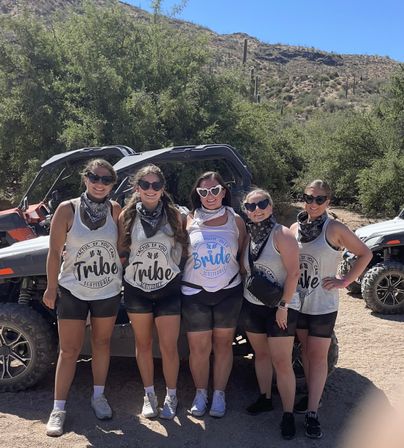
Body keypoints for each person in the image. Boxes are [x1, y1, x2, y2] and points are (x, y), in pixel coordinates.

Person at [43, 159, 122, 437]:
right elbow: (54, 252)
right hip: (73, 289)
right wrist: (51, 287)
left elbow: (122, 247)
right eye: (94, 177)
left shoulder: (115, 210)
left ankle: (98, 396)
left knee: (102, 343)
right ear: (85, 178)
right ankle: (58, 408)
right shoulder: (67, 209)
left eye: (106, 179)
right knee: (69, 350)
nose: (99, 183)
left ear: (112, 184)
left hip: (107, 289)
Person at [290, 179, 372, 439]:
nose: (312, 203)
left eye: (319, 199)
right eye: (308, 197)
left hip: (322, 305)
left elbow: (365, 254)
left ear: (328, 202)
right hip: (299, 303)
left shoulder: (334, 228)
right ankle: (312, 398)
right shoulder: (294, 228)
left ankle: (313, 411)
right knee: (305, 353)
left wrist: (345, 281)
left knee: (319, 356)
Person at [118, 164, 188, 420]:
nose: (150, 190)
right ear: (137, 188)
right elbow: (121, 249)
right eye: (145, 185)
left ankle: (171, 395)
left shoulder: (175, 215)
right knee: (143, 344)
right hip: (137, 289)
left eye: (156, 185)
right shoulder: (126, 215)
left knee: (169, 346)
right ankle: (149, 395)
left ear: (162, 189)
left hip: (168, 288)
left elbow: (184, 248)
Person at [181, 171, 246, 418]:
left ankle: (219, 394)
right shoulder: (188, 219)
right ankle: (201, 393)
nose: (210, 196)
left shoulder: (235, 220)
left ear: (224, 192)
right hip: (194, 292)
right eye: (204, 192)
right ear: (197, 194)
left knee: (222, 346)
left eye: (215, 190)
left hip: (228, 292)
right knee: (198, 348)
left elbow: (240, 255)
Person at [240, 189, 300, 440]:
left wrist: (284, 306)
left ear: (271, 206)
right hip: (253, 304)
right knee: (261, 355)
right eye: (250, 206)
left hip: (280, 307)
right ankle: (265, 397)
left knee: (282, 362)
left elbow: (294, 273)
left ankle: (288, 414)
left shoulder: (282, 235)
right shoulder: (248, 235)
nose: (256, 210)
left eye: (262, 204)